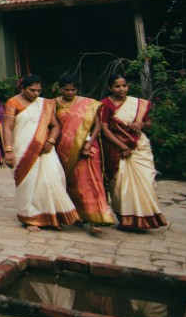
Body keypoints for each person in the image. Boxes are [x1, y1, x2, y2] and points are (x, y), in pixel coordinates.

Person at [1, 74, 79, 231]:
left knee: (54, 179)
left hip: (45, 148)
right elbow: (7, 127)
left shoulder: (45, 104)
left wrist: (50, 141)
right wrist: (8, 150)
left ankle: (52, 217)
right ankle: (31, 218)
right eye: (32, 90)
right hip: (23, 148)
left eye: (38, 90)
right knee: (28, 183)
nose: (36, 94)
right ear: (22, 88)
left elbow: (55, 126)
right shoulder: (13, 102)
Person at [98, 74, 167, 232]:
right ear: (110, 88)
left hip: (138, 146)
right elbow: (105, 129)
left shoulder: (137, 103)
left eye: (124, 85)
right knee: (120, 182)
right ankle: (126, 219)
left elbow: (148, 122)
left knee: (144, 181)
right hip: (116, 149)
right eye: (117, 86)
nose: (121, 89)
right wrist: (122, 146)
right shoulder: (105, 105)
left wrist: (141, 124)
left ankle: (147, 217)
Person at [54, 74, 116, 235]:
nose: (69, 93)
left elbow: (97, 126)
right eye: (66, 89)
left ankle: (95, 220)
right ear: (59, 89)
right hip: (64, 150)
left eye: (73, 89)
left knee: (91, 183)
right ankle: (76, 215)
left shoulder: (87, 104)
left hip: (88, 150)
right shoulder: (53, 104)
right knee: (72, 184)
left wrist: (88, 144)